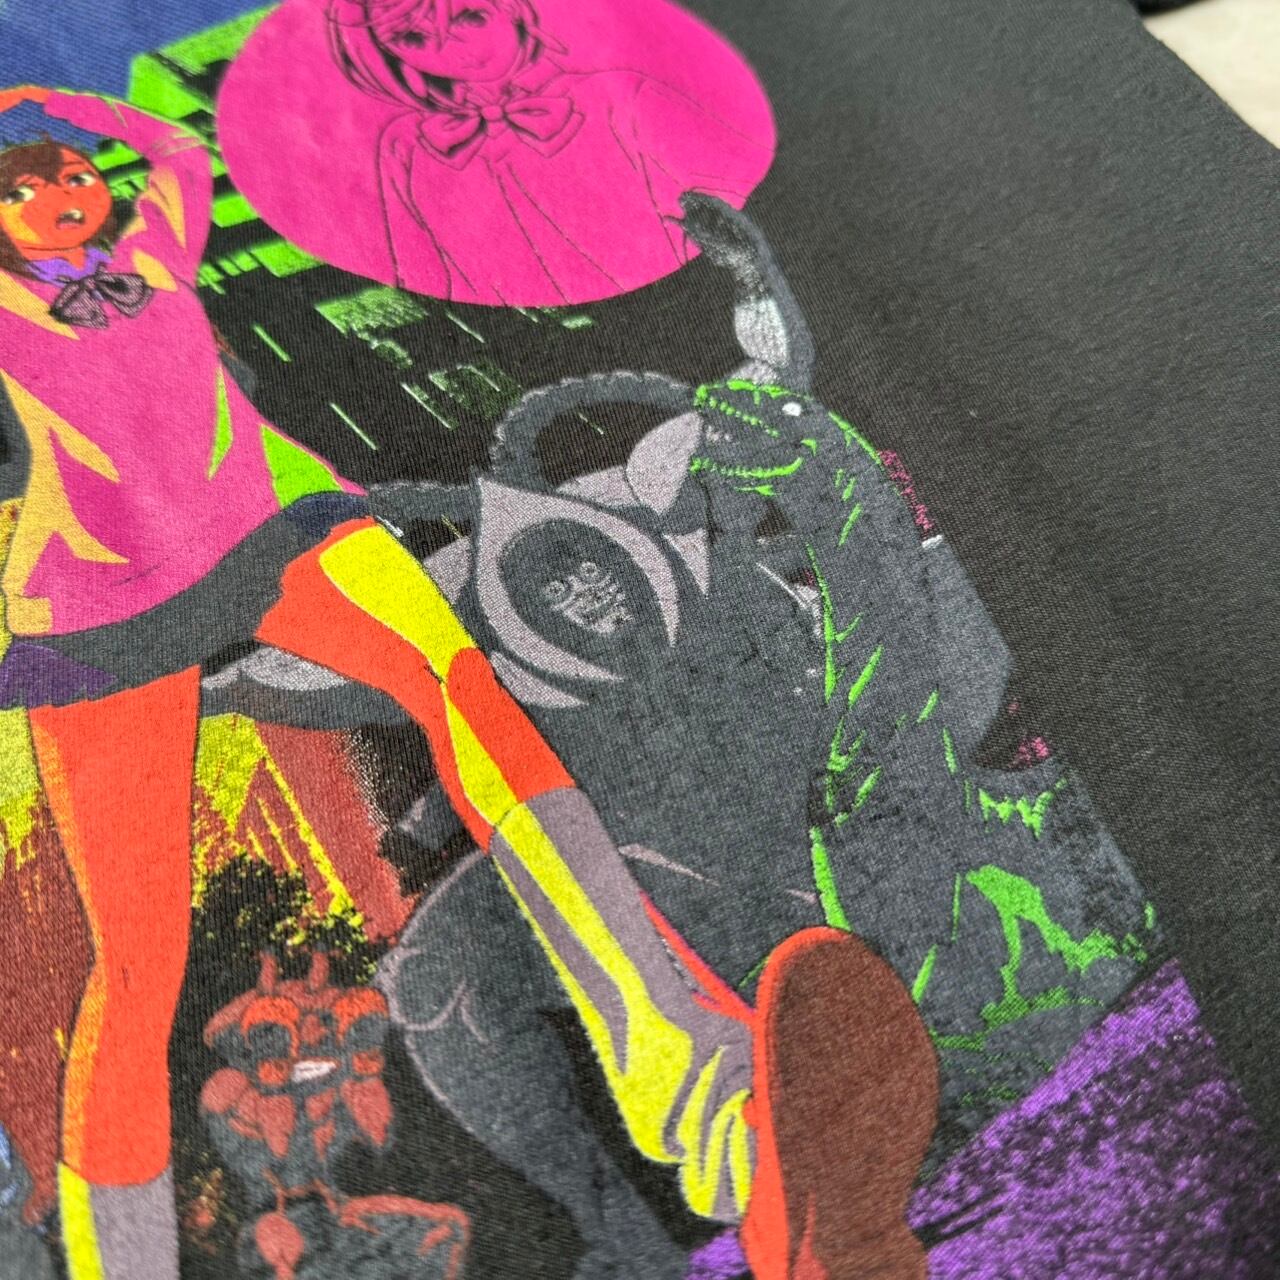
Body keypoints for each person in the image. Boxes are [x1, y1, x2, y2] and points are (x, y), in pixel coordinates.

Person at [0, 82, 935, 1280]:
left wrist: (55, 100)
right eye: (24, 189)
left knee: (463, 687)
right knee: (137, 958)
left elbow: (176, 150)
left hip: (272, 515)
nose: (60, 194)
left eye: (72, 171)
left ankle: (712, 1100)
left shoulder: (153, 250)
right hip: (103, 597)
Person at [327, 0, 773, 303]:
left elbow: (740, 196)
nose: (451, 48)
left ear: (512, 8)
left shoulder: (617, 97)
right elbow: (416, 268)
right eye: (412, 39)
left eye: (471, 17)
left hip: (680, 310)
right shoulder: (407, 147)